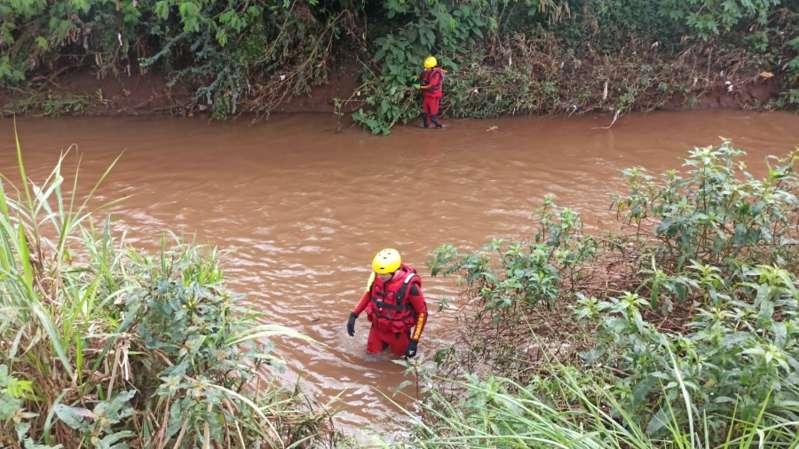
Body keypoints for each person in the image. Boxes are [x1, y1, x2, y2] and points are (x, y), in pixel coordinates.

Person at [346, 248, 428, 358]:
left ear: (395, 271)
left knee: (399, 363)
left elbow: (422, 313)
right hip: (377, 330)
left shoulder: (411, 287)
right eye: (378, 274)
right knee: (369, 359)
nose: (380, 277)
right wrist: (354, 315)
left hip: (398, 334)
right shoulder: (377, 277)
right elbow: (369, 295)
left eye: (383, 274)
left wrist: (414, 341)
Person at [418, 56, 445, 129]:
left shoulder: (436, 74)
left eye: (428, 68)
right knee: (425, 111)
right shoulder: (428, 71)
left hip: (433, 95)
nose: (426, 69)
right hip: (427, 95)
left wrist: (420, 87)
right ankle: (426, 124)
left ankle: (439, 125)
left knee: (433, 112)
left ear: (432, 67)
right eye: (426, 68)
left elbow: (431, 86)